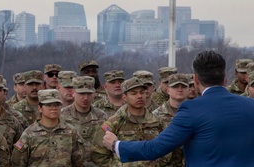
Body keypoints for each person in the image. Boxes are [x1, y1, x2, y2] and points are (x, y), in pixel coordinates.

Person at [102, 51, 254, 166]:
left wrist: (117, 145)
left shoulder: (191, 110)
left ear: (195, 79)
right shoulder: (250, 105)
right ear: (225, 79)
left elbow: (155, 148)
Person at [92, 77, 169, 167]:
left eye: (142, 92)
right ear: (125, 97)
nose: (139, 96)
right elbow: (98, 152)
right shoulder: (114, 122)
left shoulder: (157, 122)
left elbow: (167, 147)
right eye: (134, 93)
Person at [11, 89, 84, 166]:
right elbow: (17, 163)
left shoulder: (71, 132)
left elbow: (79, 162)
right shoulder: (29, 134)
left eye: (57, 104)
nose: (54, 108)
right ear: (40, 108)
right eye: (49, 105)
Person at [61, 76, 107, 166]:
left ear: (94, 94)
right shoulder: (62, 116)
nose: (85, 98)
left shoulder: (102, 117)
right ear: (73, 93)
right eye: (81, 94)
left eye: (89, 94)